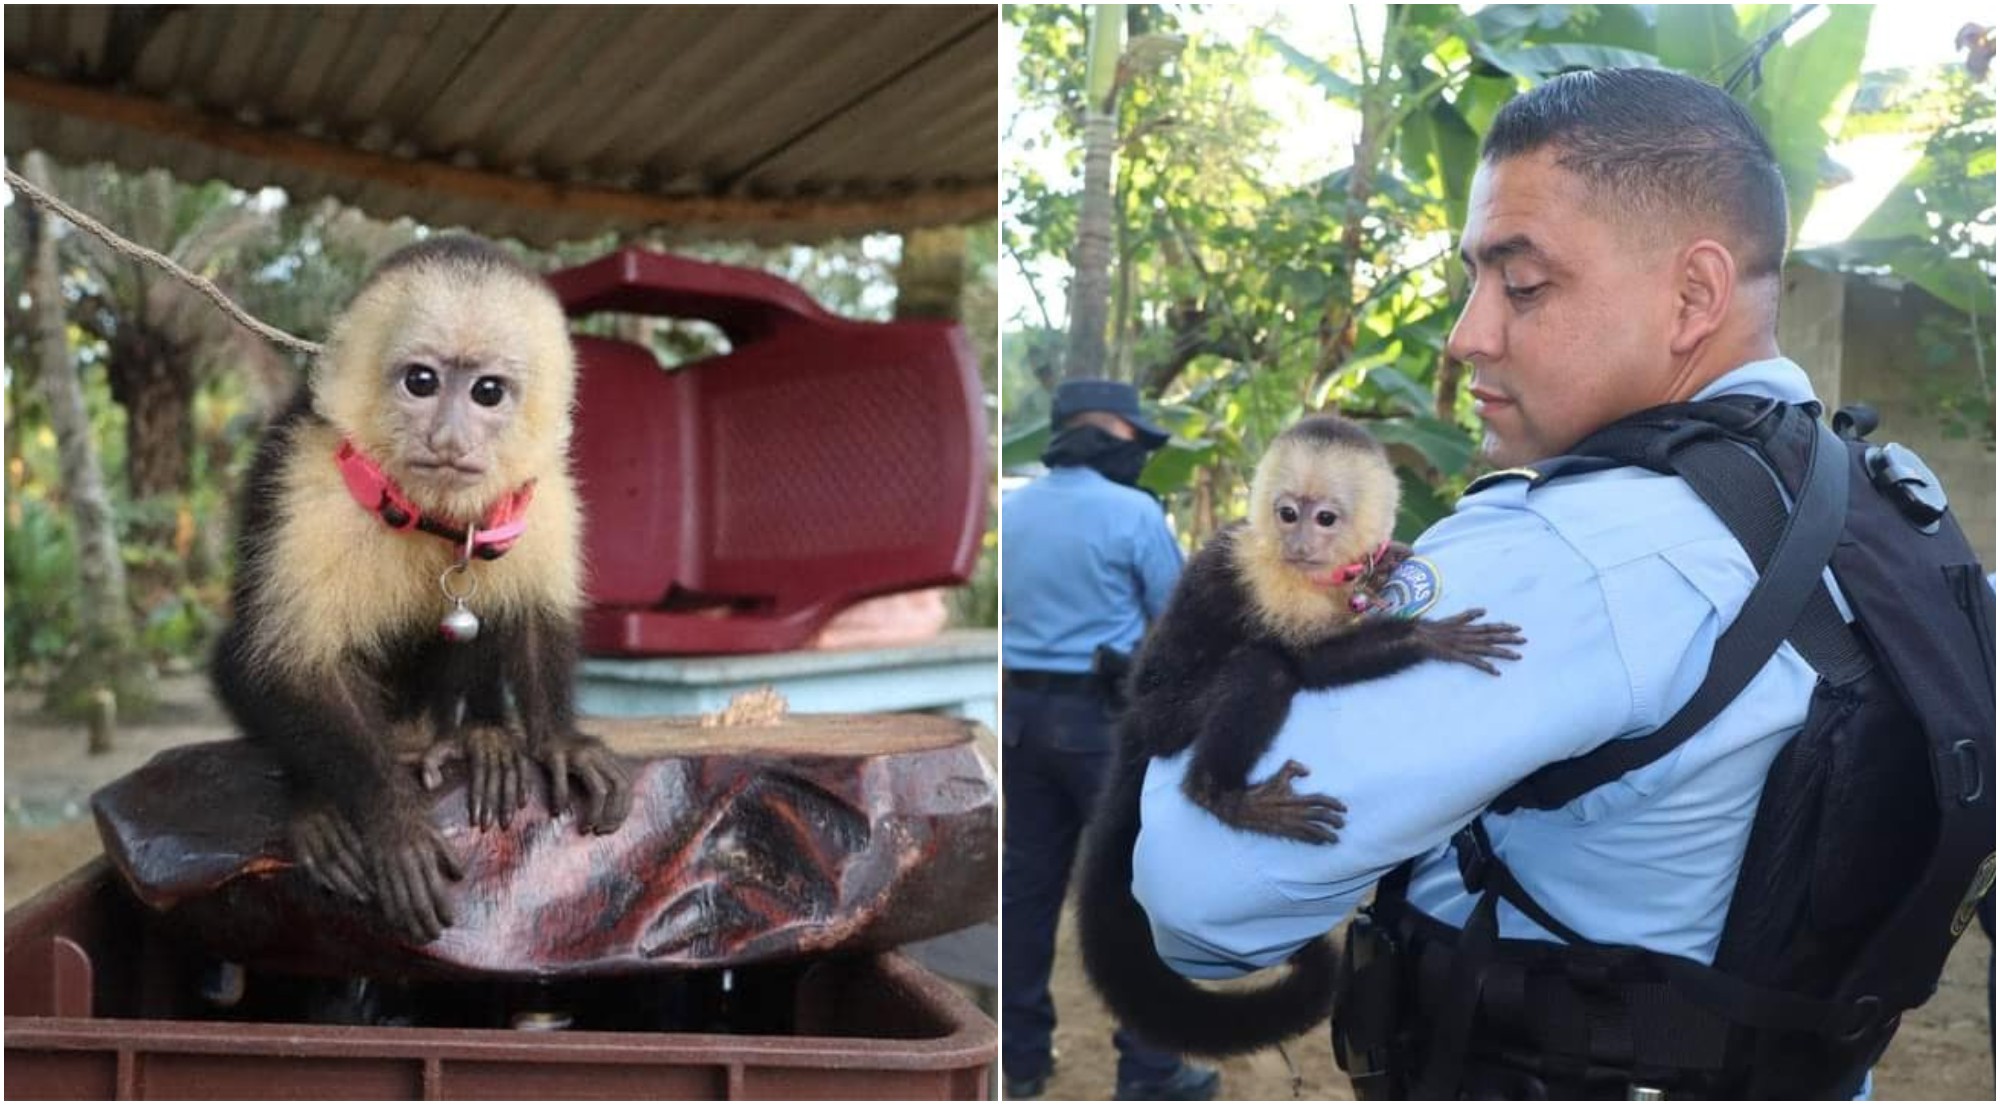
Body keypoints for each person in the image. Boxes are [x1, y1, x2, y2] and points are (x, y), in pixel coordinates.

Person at [1131, 68, 1977, 1099]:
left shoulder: (1571, 548)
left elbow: (1197, 900)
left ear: (1692, 296)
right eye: (1471, 283)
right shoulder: (1896, 512)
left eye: (1521, 285)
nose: (1466, 334)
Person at [1001, 379, 1217, 1101]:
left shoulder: (1014, 510)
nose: (1140, 453)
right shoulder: (1132, 514)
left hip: (1020, 720)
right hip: (1101, 727)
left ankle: (1021, 1060)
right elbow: (1181, 620)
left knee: (1027, 892)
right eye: (1133, 436)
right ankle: (1150, 1070)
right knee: (1136, 892)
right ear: (1102, 430)